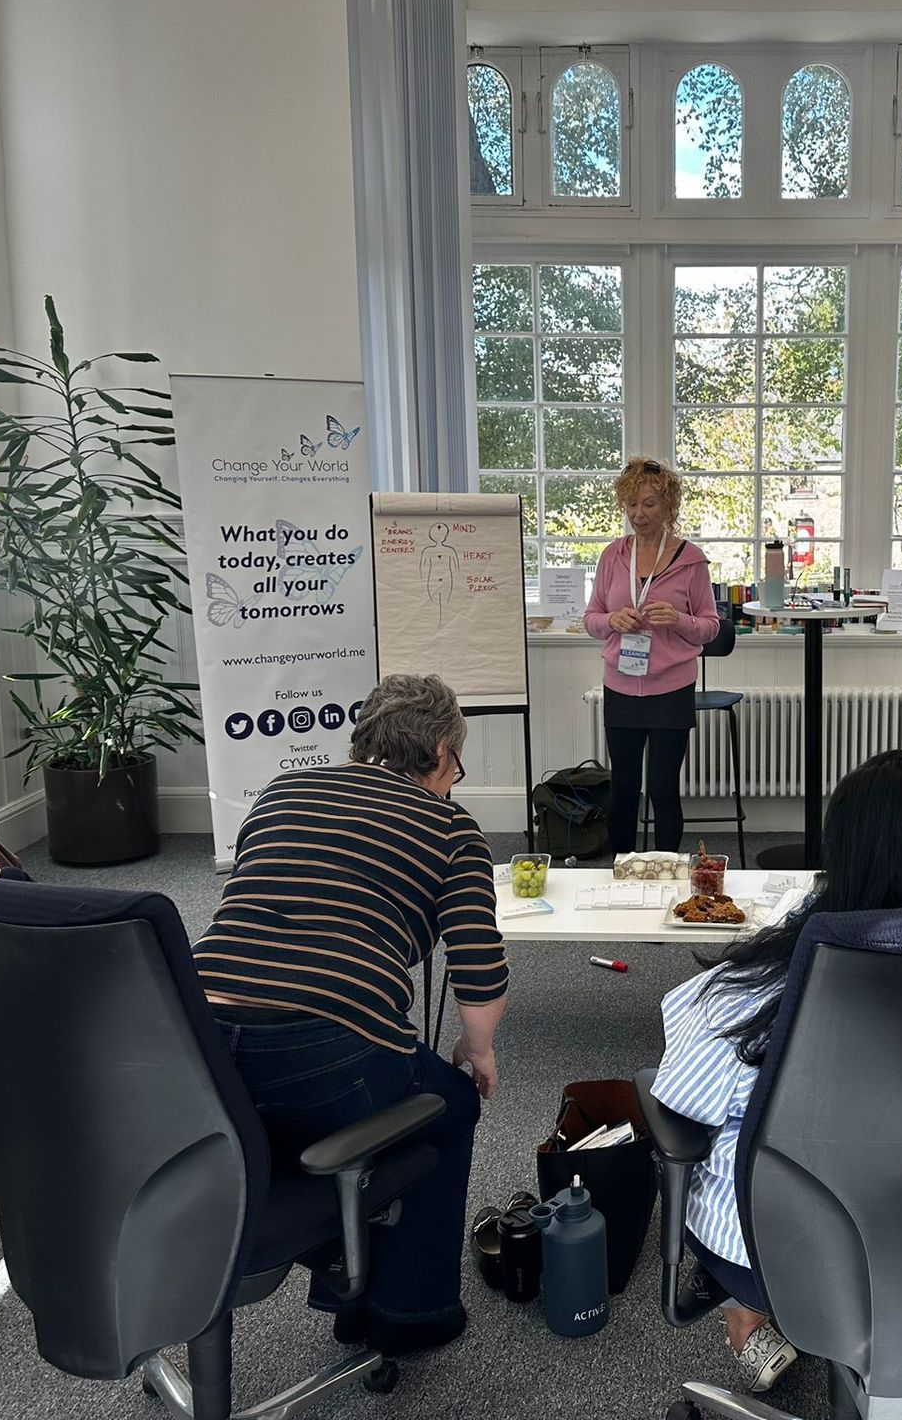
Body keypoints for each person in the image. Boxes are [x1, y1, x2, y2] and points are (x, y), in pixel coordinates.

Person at [650, 751, 902, 1393]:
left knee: (677, 1135)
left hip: (790, 1250)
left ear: (846, 858)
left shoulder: (768, 986)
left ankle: (746, 1314)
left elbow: (683, 1097)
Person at [191, 673, 508, 1358]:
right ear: (442, 751)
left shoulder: (282, 790)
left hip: (191, 1037)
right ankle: (406, 1312)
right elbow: (479, 965)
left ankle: (332, 1250)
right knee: (450, 1105)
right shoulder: (450, 827)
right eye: (455, 765)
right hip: (324, 1048)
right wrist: (477, 1050)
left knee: (289, 1109)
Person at [583, 457, 720, 854]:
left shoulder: (690, 560)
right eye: (631, 505)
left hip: (671, 688)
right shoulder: (612, 556)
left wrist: (679, 620)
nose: (638, 515)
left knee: (662, 788)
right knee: (624, 786)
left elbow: (711, 626)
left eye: (649, 504)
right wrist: (612, 620)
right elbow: (591, 619)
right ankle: (621, 871)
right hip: (621, 686)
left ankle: (668, 873)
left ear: (668, 506)